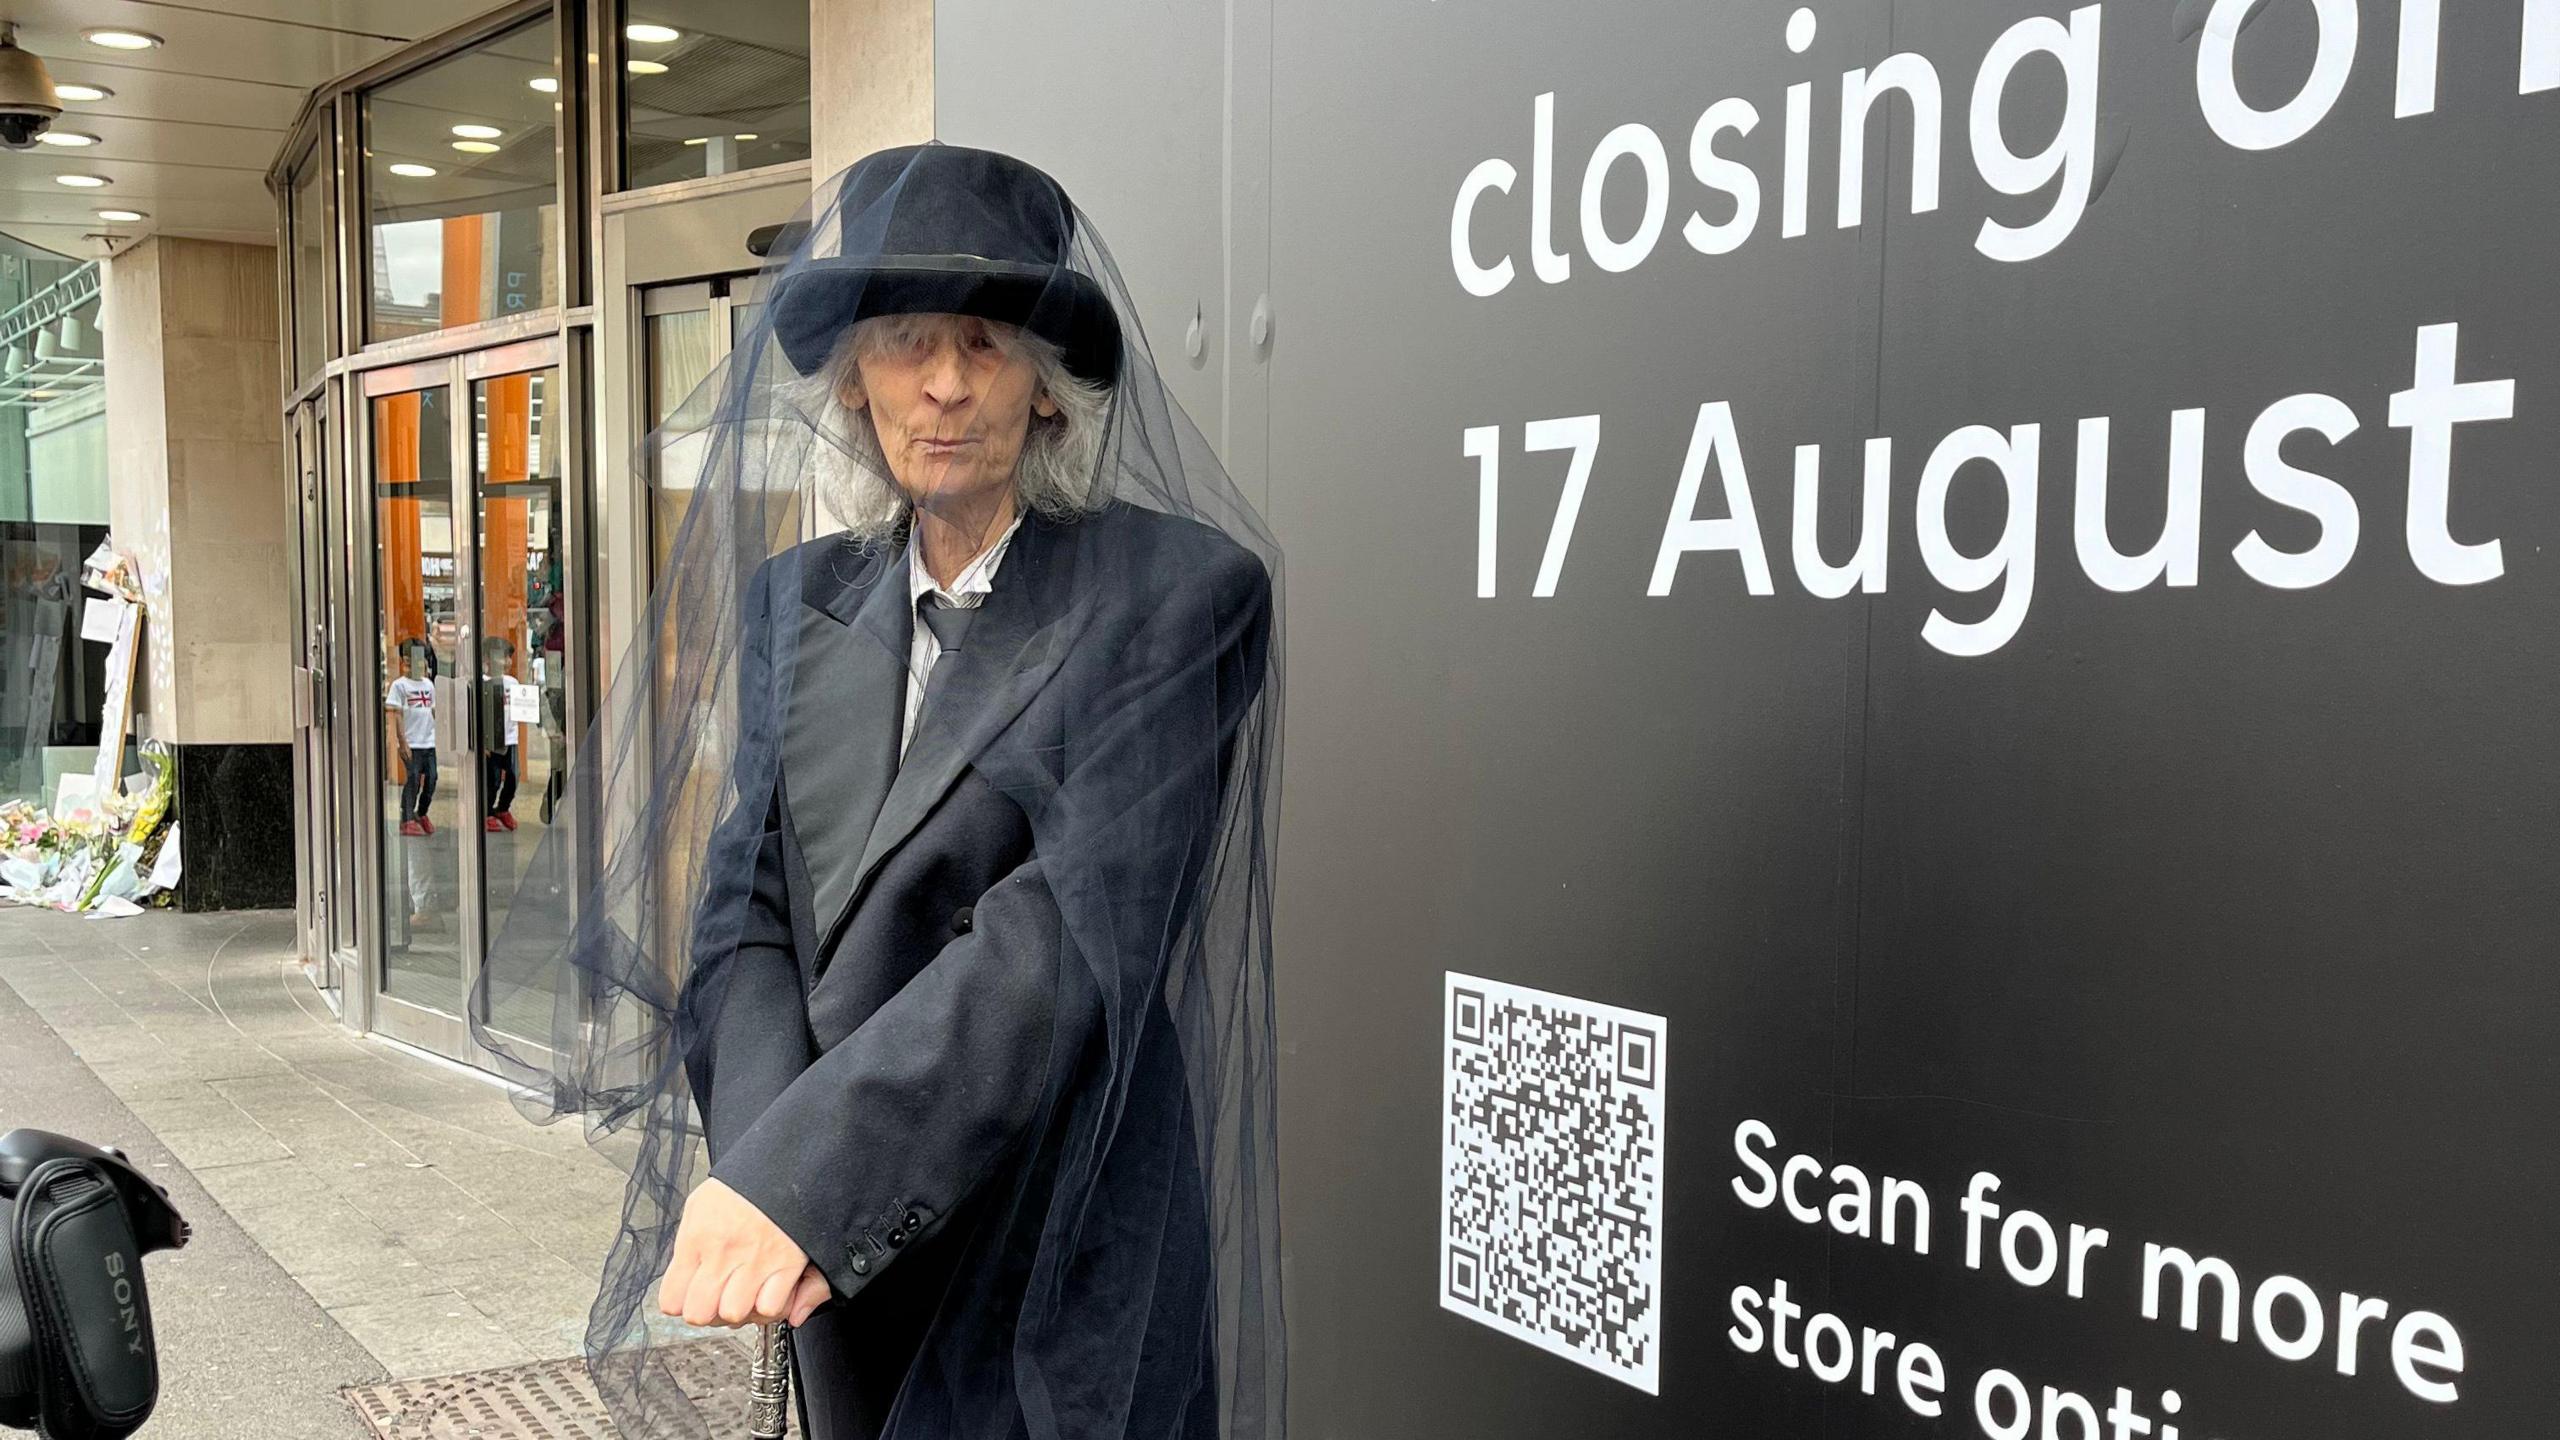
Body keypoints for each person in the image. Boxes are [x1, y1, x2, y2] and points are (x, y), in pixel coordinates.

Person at [468, 143, 1286, 1440]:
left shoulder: (1178, 597)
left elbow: (1067, 934)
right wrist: (767, 1165)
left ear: (1050, 390)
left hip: (1055, 1260)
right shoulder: (797, 602)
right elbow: (747, 907)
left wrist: (803, 1177)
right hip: (836, 1262)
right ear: (852, 379)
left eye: (987, 339)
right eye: (907, 339)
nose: (947, 382)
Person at [384, 644, 437, 838]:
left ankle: (421, 813)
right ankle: (406, 817)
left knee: (432, 778)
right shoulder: (399, 685)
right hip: (411, 742)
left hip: (428, 742)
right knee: (413, 778)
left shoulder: (429, 684)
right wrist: (402, 741)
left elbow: (434, 710)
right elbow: (396, 714)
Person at [479, 634, 520, 832]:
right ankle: (486, 812)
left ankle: (503, 808)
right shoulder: (480, 683)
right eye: (502, 656)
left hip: (510, 739)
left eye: (509, 657)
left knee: (513, 775)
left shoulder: (512, 683)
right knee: (492, 779)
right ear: (487, 658)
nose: (507, 662)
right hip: (491, 741)